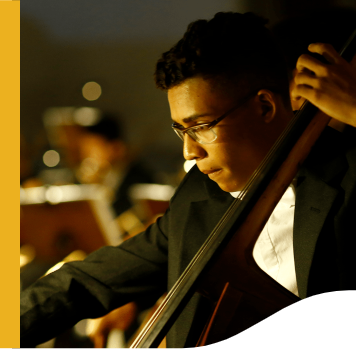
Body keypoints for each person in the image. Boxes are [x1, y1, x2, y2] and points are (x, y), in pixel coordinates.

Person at [21, 12, 356, 348]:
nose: (188, 152)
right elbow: (87, 281)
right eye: (181, 130)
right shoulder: (198, 196)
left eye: (201, 127)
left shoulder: (347, 174)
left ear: (265, 107)